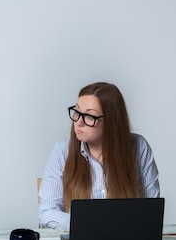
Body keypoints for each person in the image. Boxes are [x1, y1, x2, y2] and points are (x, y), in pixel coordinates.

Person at [39, 82, 160, 231]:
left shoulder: (139, 147)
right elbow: (46, 212)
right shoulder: (62, 152)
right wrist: (87, 223)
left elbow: (151, 209)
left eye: (89, 116)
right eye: (77, 112)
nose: (79, 122)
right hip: (82, 239)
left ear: (111, 120)